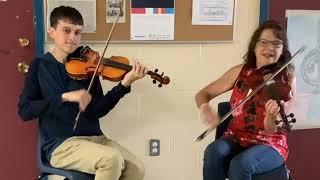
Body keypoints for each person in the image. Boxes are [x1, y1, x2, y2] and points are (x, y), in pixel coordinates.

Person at [18, 6, 146, 180]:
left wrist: (124, 85)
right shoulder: (39, 66)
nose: (73, 38)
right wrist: (64, 97)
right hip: (62, 145)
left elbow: (98, 110)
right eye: (66, 31)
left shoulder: (88, 66)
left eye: (78, 32)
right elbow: (25, 110)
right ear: (52, 32)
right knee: (111, 159)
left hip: (95, 139)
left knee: (136, 168)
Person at [195, 20, 296, 180]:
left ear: (282, 50)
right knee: (212, 151)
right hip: (237, 137)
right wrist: (205, 107)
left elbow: (272, 130)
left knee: (240, 164)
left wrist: (271, 117)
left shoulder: (286, 79)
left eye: (277, 44)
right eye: (264, 42)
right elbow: (202, 94)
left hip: (270, 143)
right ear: (254, 47)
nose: (270, 48)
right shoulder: (240, 72)